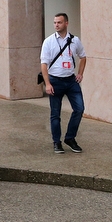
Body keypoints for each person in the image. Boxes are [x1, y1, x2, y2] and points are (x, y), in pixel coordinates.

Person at [40, 13, 87, 154]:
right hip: (55, 80)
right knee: (55, 114)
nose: (56, 25)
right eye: (55, 22)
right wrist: (47, 84)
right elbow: (43, 64)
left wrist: (80, 74)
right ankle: (57, 142)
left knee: (79, 109)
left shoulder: (75, 41)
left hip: (71, 80)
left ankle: (70, 138)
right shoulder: (48, 42)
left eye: (59, 22)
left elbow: (83, 57)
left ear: (66, 23)